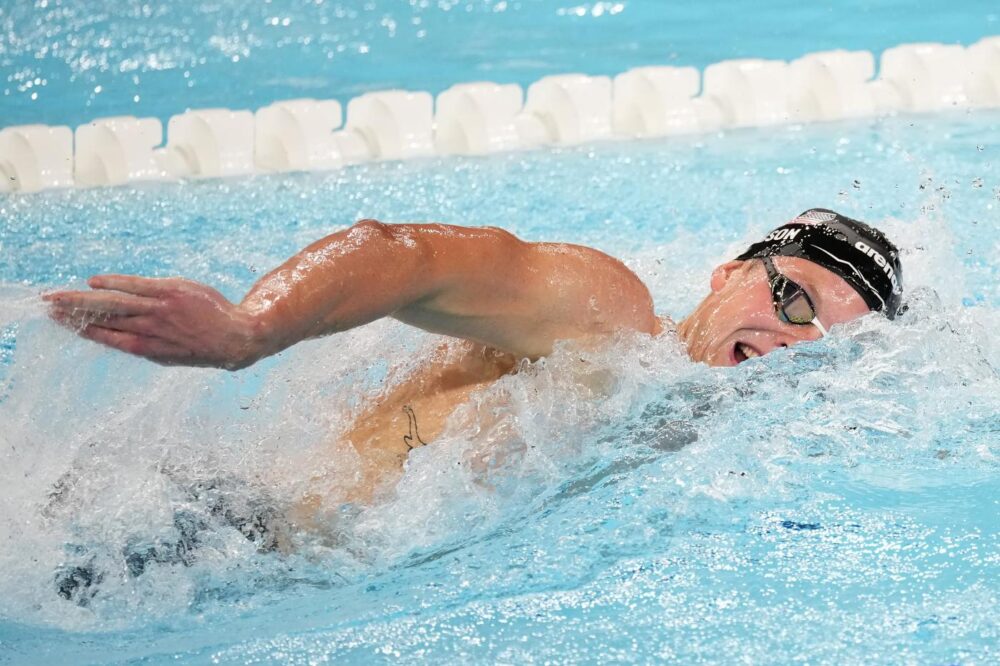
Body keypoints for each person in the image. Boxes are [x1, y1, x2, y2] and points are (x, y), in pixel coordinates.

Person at [44, 207, 903, 498]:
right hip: (216, 532)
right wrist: (250, 330)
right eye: (791, 297)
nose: (793, 343)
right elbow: (405, 255)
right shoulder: (609, 319)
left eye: (828, 345)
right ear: (727, 272)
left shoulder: (709, 442)